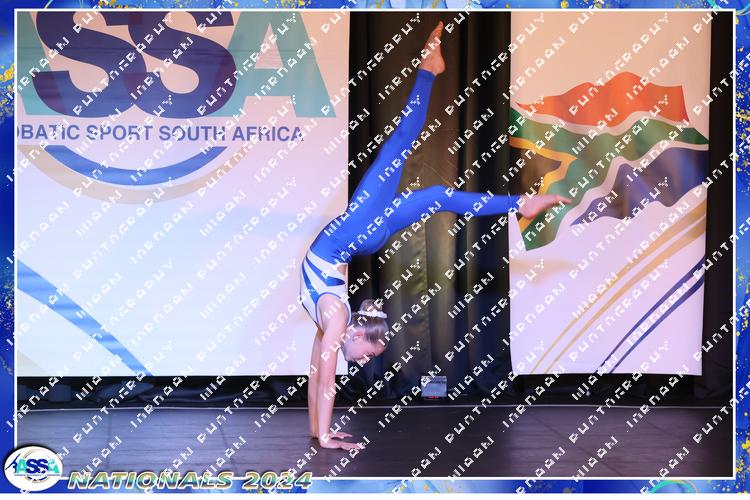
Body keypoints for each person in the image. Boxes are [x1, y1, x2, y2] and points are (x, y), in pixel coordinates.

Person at [301, 21, 571, 450]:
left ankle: (429, 71)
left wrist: (324, 435)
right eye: (369, 357)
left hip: (355, 231)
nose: (363, 361)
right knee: (430, 187)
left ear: (357, 335)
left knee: (414, 163)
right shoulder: (335, 318)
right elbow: (321, 375)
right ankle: (519, 202)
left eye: (367, 356)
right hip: (360, 235)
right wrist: (324, 433)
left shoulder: (334, 321)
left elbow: (322, 377)